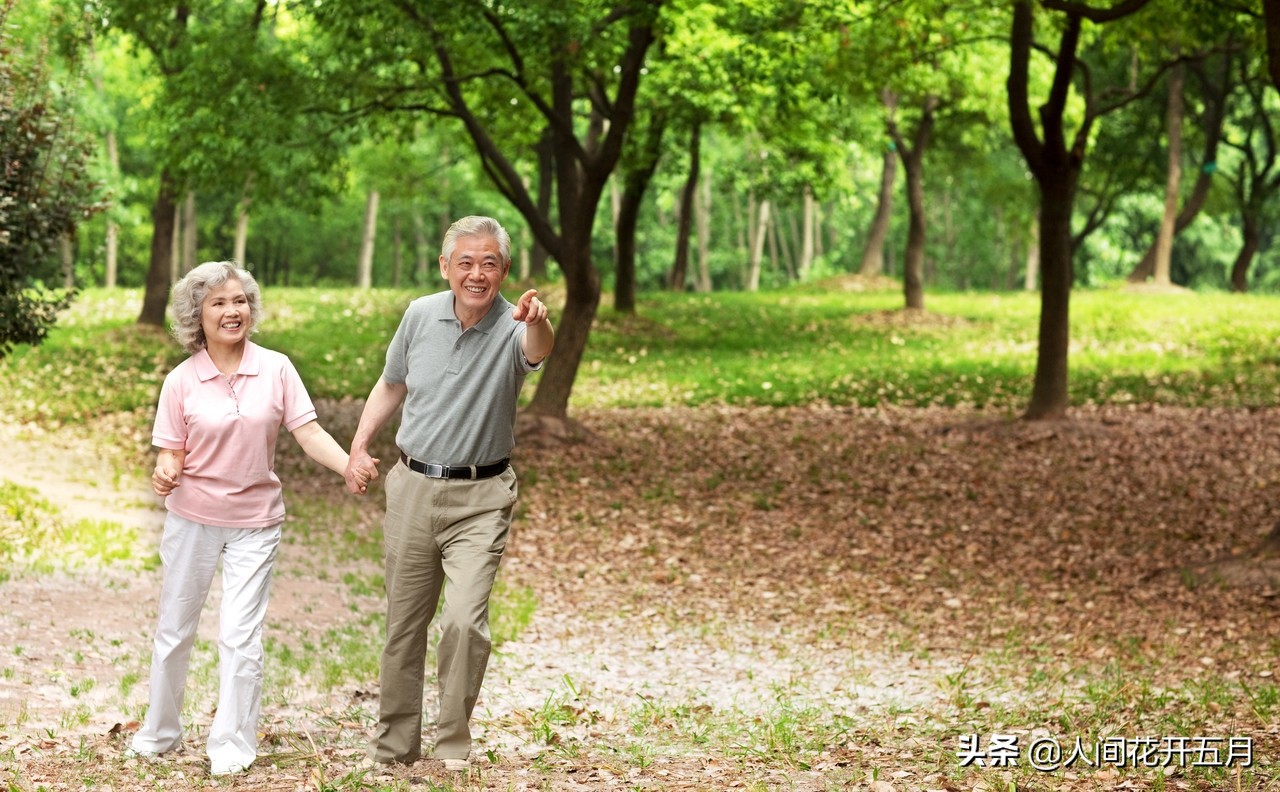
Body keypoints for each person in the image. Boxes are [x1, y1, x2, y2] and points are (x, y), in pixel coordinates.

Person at [128, 260, 369, 776]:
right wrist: (166, 471)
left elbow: (307, 433)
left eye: (239, 301)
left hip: (256, 522)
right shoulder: (181, 381)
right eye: (219, 303)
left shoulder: (277, 368)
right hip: (192, 519)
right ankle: (160, 732)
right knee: (175, 629)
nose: (232, 310)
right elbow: (171, 452)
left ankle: (232, 745)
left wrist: (348, 464)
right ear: (198, 315)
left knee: (240, 635)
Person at [343, 215, 553, 772]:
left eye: (489, 263)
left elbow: (538, 349)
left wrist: (538, 320)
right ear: (445, 266)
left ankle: (451, 748)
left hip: (481, 497)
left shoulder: (514, 324)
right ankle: (393, 749)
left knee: (463, 620)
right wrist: (359, 447)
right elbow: (392, 383)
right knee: (403, 625)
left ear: (504, 270)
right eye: (466, 262)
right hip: (412, 486)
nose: (477, 273)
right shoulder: (418, 314)